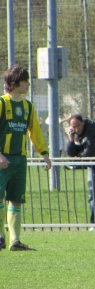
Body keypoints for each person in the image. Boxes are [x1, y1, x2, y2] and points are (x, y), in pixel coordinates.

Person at [0, 66, 52, 252]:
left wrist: (44, 154)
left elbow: (35, 132)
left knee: (16, 199)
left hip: (20, 160)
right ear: (14, 83)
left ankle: (15, 241)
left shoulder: (27, 106)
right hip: (2, 160)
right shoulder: (2, 103)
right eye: (25, 80)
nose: (28, 84)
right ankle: (0, 238)